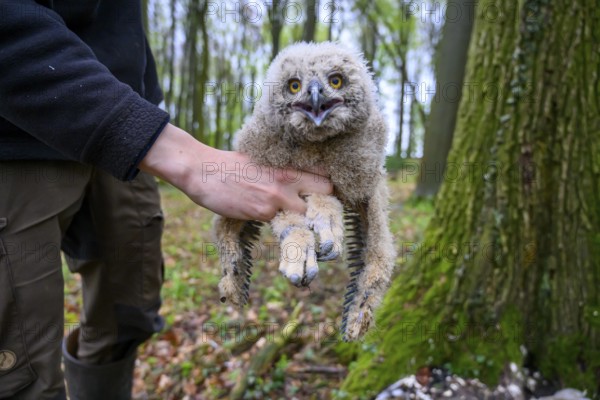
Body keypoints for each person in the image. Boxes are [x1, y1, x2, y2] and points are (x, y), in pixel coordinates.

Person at [0, 1, 332, 399]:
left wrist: (146, 106)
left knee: (129, 313)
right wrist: (183, 156)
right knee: (19, 368)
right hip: (16, 137)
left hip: (124, 127)